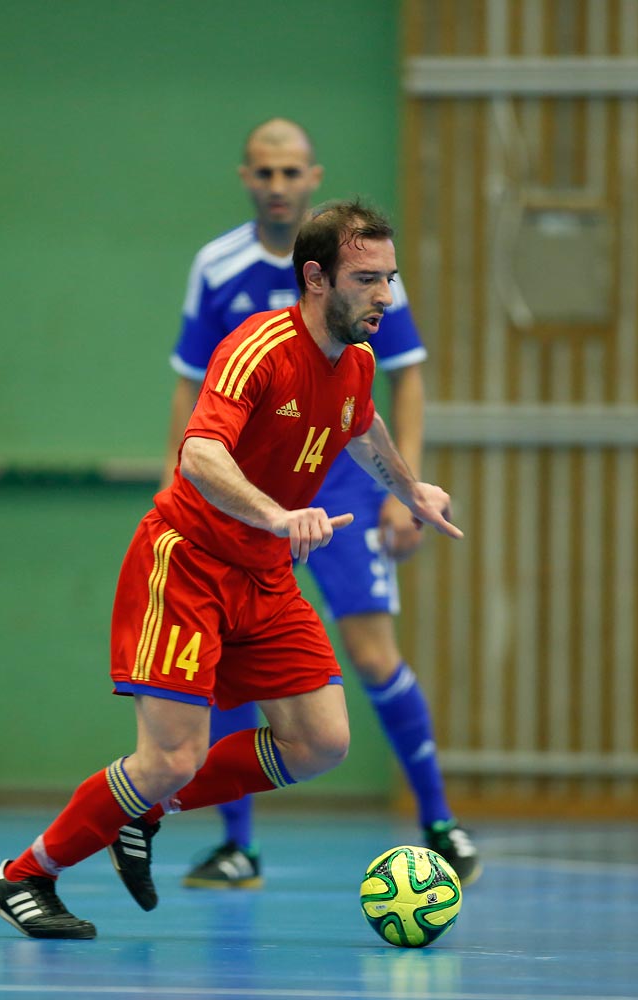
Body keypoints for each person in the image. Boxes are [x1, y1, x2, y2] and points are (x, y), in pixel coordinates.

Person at [0, 199, 463, 939]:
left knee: (321, 743)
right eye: (368, 280)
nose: (386, 298)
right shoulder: (257, 349)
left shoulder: (357, 360)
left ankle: (142, 811)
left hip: (264, 575)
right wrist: (276, 515)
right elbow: (200, 455)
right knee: (172, 755)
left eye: (390, 279)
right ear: (315, 278)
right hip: (190, 564)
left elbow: (361, 419)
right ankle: (24, 877)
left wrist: (408, 487)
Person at [160, 118, 479, 890]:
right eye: (264, 172)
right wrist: (181, 481)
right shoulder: (219, 267)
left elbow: (398, 376)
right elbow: (189, 383)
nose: (278, 185)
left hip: (336, 480)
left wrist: (402, 493)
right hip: (247, 482)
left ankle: (439, 822)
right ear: (247, 177)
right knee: (234, 660)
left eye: (291, 172)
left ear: (312, 179)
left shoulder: (360, 267)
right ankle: (239, 844)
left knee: (372, 655)